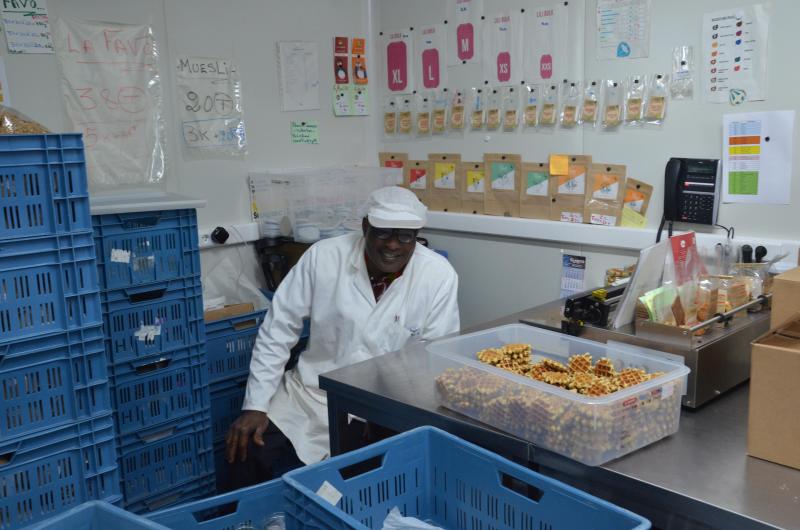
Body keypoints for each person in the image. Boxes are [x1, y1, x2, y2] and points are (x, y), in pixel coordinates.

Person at [224, 186, 460, 486]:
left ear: (416, 237)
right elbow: (278, 329)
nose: (392, 245)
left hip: (386, 406)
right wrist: (255, 405)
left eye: (405, 236)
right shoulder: (324, 257)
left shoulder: (438, 276)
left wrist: (386, 415)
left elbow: (433, 361)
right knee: (250, 448)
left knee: (365, 483)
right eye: (383, 233)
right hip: (309, 396)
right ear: (365, 228)